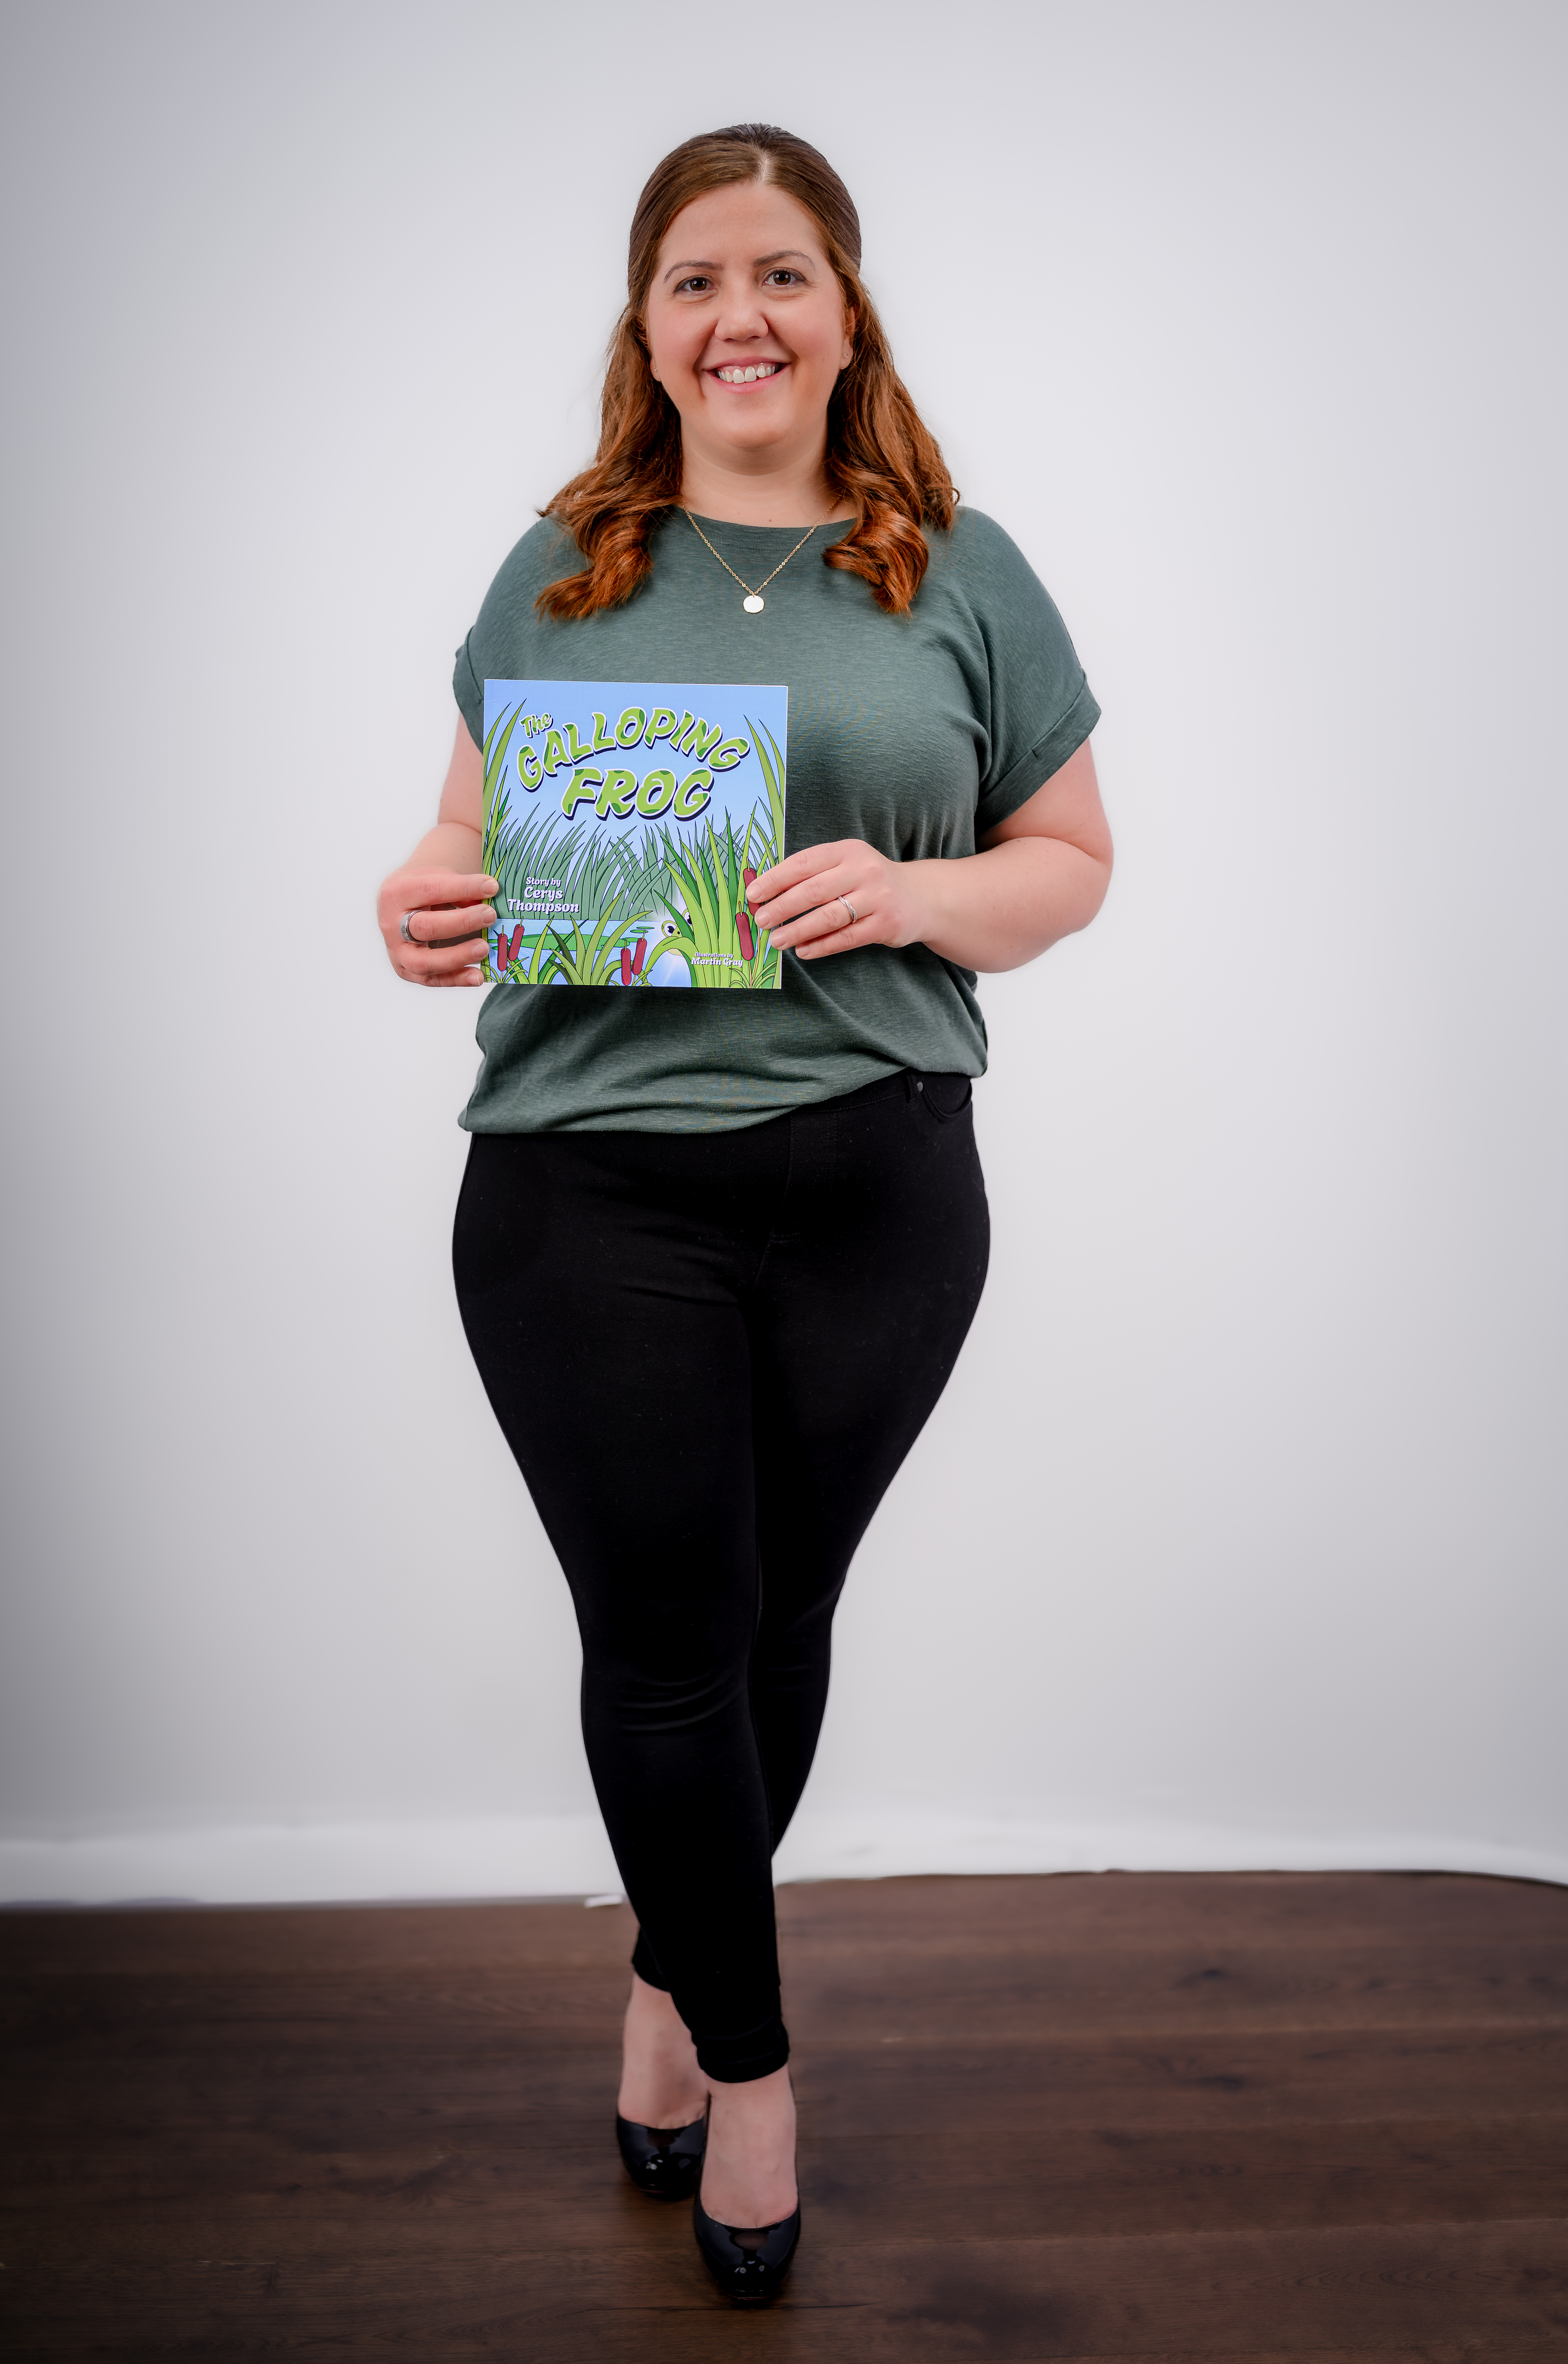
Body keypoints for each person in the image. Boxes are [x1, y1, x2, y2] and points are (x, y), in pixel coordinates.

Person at [377, 122, 1112, 2305]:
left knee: (779, 1617)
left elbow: (1072, 864)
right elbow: (453, 847)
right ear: (650, 325)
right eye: (697, 280)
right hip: (589, 1189)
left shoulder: (962, 569)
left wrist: (914, 890)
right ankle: (759, 2066)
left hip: (883, 1185)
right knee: (671, 1639)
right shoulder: (565, 565)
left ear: (847, 309)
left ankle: (671, 1985)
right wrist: (427, 909)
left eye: (782, 274)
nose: (741, 318)